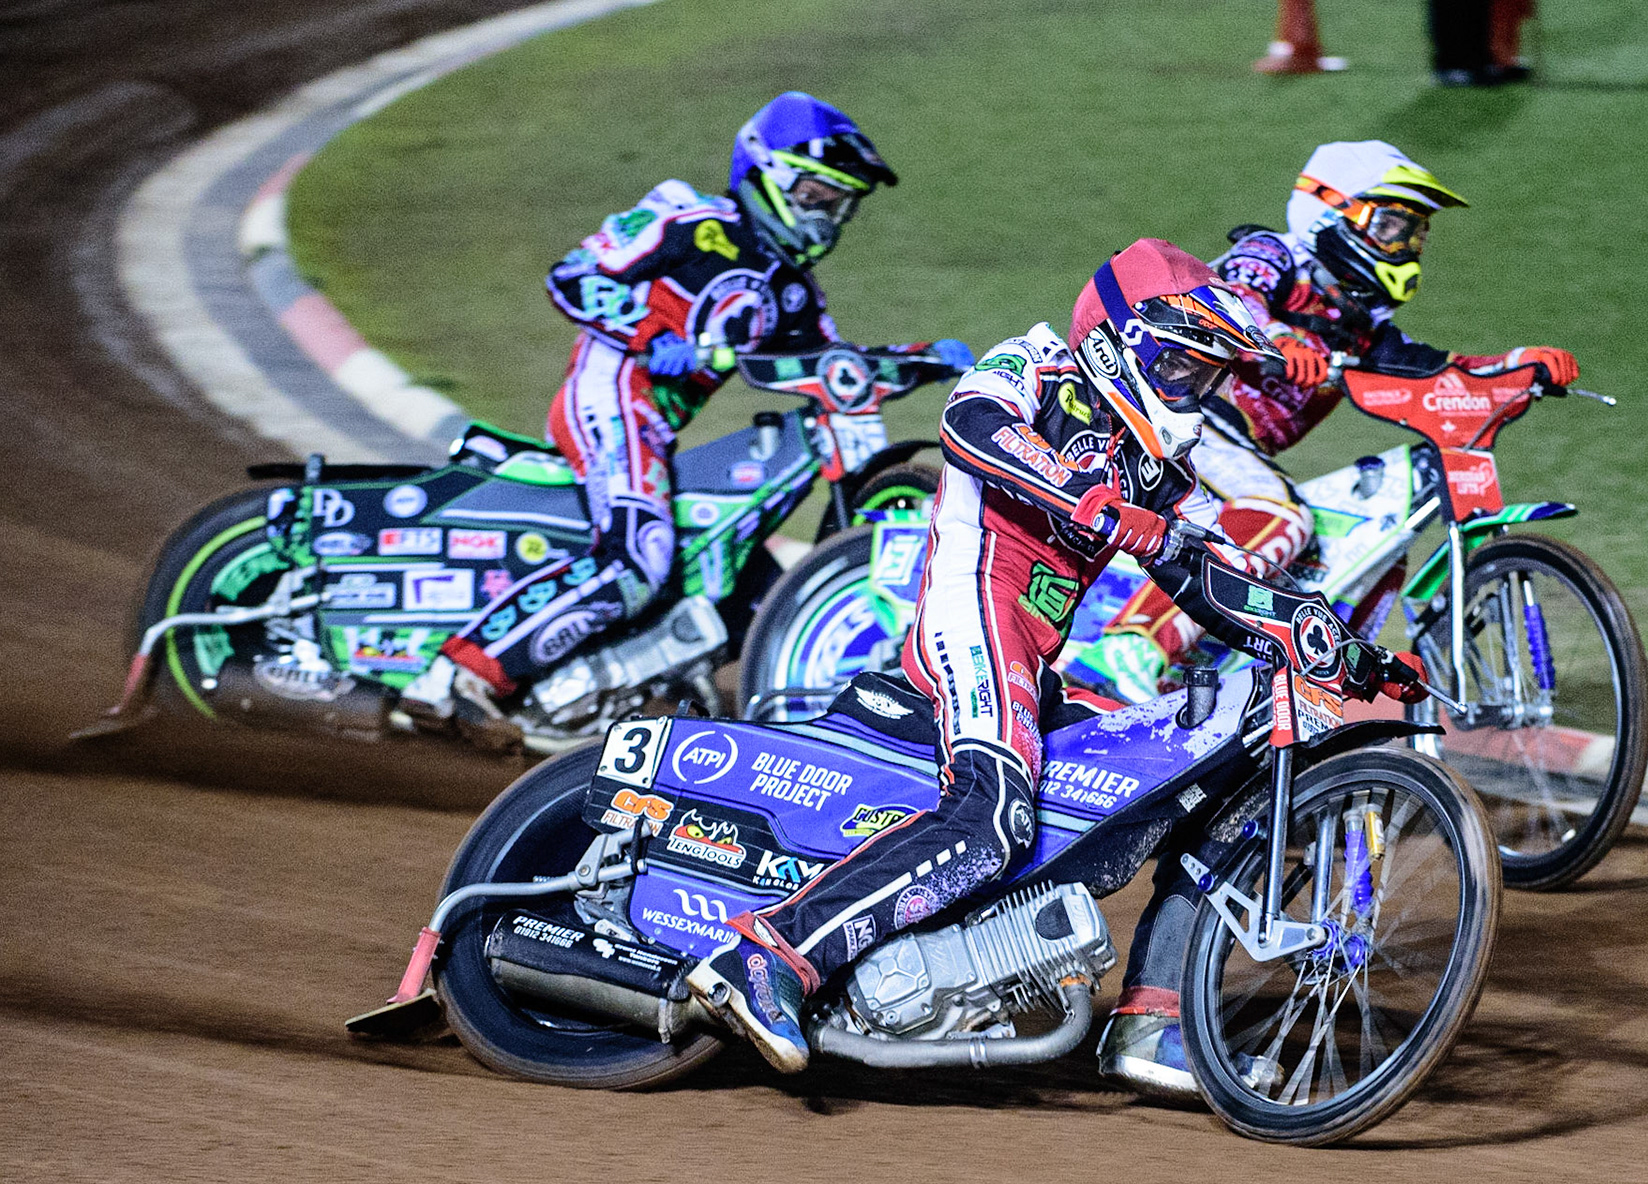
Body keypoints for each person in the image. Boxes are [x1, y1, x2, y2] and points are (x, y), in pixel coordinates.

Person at [685, 239, 1336, 1072]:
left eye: (1209, 378)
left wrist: (1330, 642)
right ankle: (767, 954)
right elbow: (970, 428)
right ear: (1124, 340)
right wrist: (1100, 507)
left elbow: (1208, 580)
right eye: (1185, 369)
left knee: (1210, 766)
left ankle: (1151, 1017)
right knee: (995, 818)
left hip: (1034, 658)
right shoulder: (1035, 363)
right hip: (971, 612)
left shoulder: (1153, 463)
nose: (1197, 393)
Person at [1084, 140, 1577, 1099]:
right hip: (1181, 424)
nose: (1408, 242)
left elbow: (1423, 372)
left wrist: (1511, 370)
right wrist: (1270, 333)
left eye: (1416, 227)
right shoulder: (1276, 257)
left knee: (1313, 564)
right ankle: (1131, 643)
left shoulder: (1363, 309)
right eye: (1394, 221)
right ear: (1329, 211)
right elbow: (1225, 294)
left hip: (1208, 449)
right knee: (1281, 520)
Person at [401, 92, 973, 749]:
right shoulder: (688, 217)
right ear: (772, 174)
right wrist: (647, 336)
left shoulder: (790, 291)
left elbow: (821, 365)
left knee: (748, 593)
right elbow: (573, 276)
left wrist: (918, 360)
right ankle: (458, 673)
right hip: (614, 387)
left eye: (843, 205)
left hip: (658, 425)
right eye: (820, 195)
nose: (831, 218)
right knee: (639, 554)